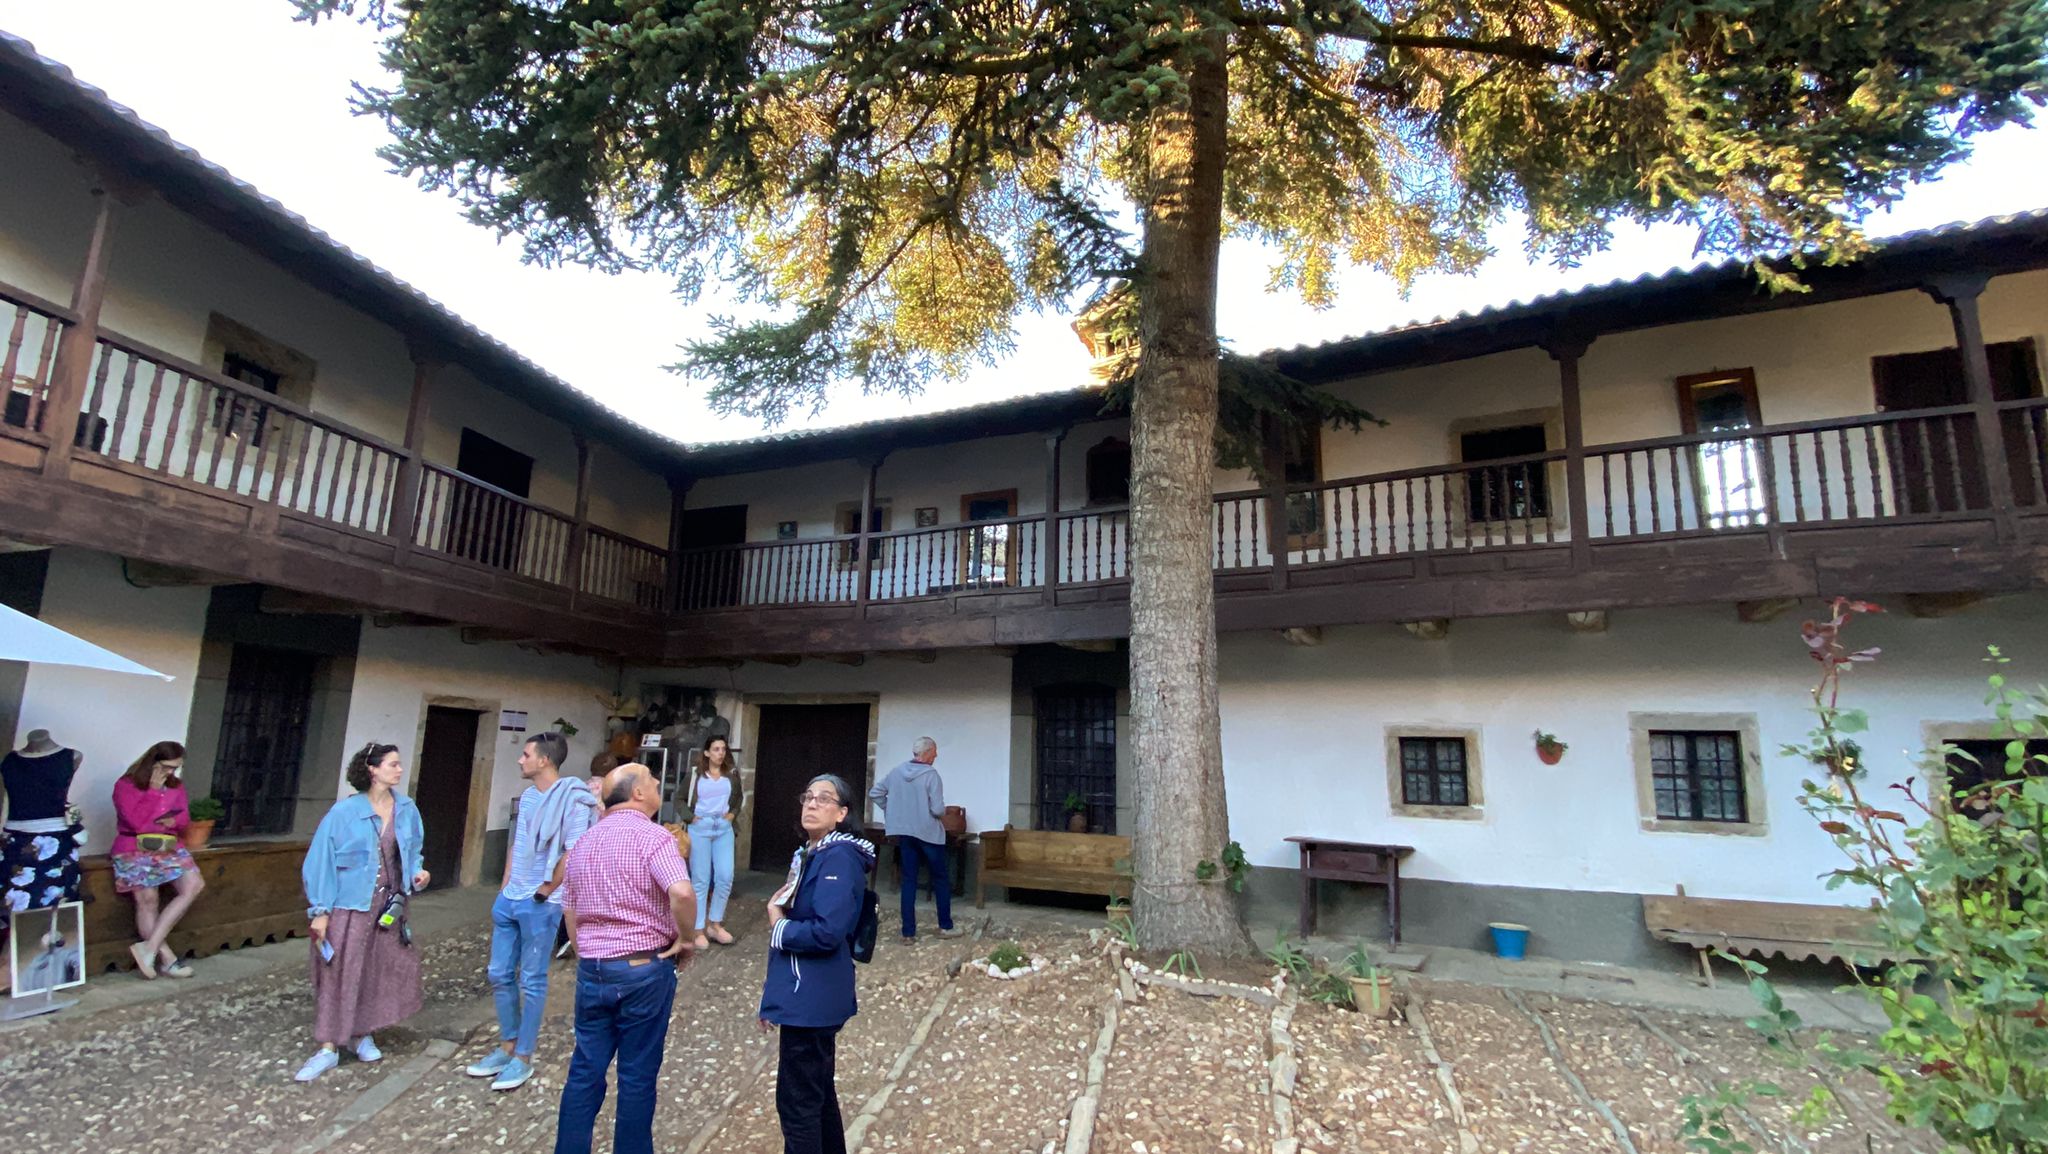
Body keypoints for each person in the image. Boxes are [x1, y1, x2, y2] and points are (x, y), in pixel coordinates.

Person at [554, 763, 697, 1154]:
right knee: (636, 1075)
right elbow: (682, 893)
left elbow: (570, 909)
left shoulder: (584, 842)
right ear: (637, 794)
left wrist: (588, 953)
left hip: (594, 967)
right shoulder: (654, 839)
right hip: (642, 967)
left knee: (585, 1069)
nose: (656, 787)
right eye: (652, 782)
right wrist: (685, 939)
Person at [467, 731, 597, 1091]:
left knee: (533, 979)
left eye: (526, 755)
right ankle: (506, 1044)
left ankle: (523, 1055)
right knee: (498, 972)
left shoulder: (574, 802)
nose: (520, 760)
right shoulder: (526, 798)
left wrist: (546, 889)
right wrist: (506, 886)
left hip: (542, 901)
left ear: (544, 760)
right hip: (512, 896)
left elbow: (572, 851)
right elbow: (517, 842)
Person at [295, 741, 428, 1083]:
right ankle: (327, 1046)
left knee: (375, 970)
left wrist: (418, 873)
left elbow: (413, 851)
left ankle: (360, 1031)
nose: (399, 770)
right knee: (337, 972)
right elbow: (320, 861)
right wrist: (320, 910)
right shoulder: (344, 813)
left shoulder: (407, 808)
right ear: (372, 769)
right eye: (393, 764)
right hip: (349, 906)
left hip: (388, 906)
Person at [760, 773, 876, 1154]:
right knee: (818, 1095)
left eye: (824, 799)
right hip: (803, 994)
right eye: (808, 796)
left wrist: (779, 924)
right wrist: (772, 998)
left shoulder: (838, 858)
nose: (811, 804)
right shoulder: (810, 854)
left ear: (842, 813)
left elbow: (827, 930)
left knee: (798, 1106)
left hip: (813, 998)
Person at [110, 740, 203, 979]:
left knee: (194, 884)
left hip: (168, 845)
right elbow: (135, 821)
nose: (171, 772)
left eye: (176, 767)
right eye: (168, 767)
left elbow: (184, 817)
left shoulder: (176, 786)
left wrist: (175, 822)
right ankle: (166, 958)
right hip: (134, 847)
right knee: (148, 900)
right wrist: (152, 791)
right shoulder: (126, 785)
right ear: (153, 762)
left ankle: (149, 948)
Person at [868, 737, 958, 939]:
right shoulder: (931, 775)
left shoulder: (897, 771)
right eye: (934, 752)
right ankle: (946, 926)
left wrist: (892, 810)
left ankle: (908, 932)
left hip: (905, 833)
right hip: (929, 834)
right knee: (941, 879)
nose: (936, 755)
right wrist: (941, 811)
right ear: (926, 753)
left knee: (908, 880)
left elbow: (875, 793)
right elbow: (936, 809)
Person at [1, 729, 83, 928]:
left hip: (56, 842)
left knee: (54, 905)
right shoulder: (9, 760)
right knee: (12, 908)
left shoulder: (71, 756)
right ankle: (9, 957)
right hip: (15, 844)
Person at [685, 736, 743, 950]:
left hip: (722, 827)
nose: (721, 753)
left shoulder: (731, 775)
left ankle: (715, 923)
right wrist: (689, 817)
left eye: (723, 749)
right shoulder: (696, 775)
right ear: (707, 752)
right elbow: (681, 798)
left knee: (725, 875)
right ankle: (698, 928)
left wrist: (732, 814)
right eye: (716, 749)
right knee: (700, 879)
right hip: (701, 827)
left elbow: (738, 798)